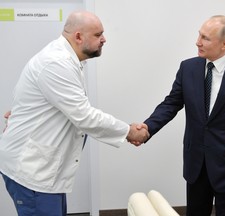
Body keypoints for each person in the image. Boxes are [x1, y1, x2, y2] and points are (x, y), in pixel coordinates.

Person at [0, 10, 149, 216]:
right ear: (78, 37)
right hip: (33, 173)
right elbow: (85, 116)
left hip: (45, 170)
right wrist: (129, 131)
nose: (104, 39)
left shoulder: (70, 60)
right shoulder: (56, 63)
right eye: (98, 35)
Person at [134, 15, 225, 216]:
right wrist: (148, 128)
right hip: (196, 162)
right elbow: (171, 103)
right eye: (199, 35)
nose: (197, 42)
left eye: (205, 38)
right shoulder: (188, 68)